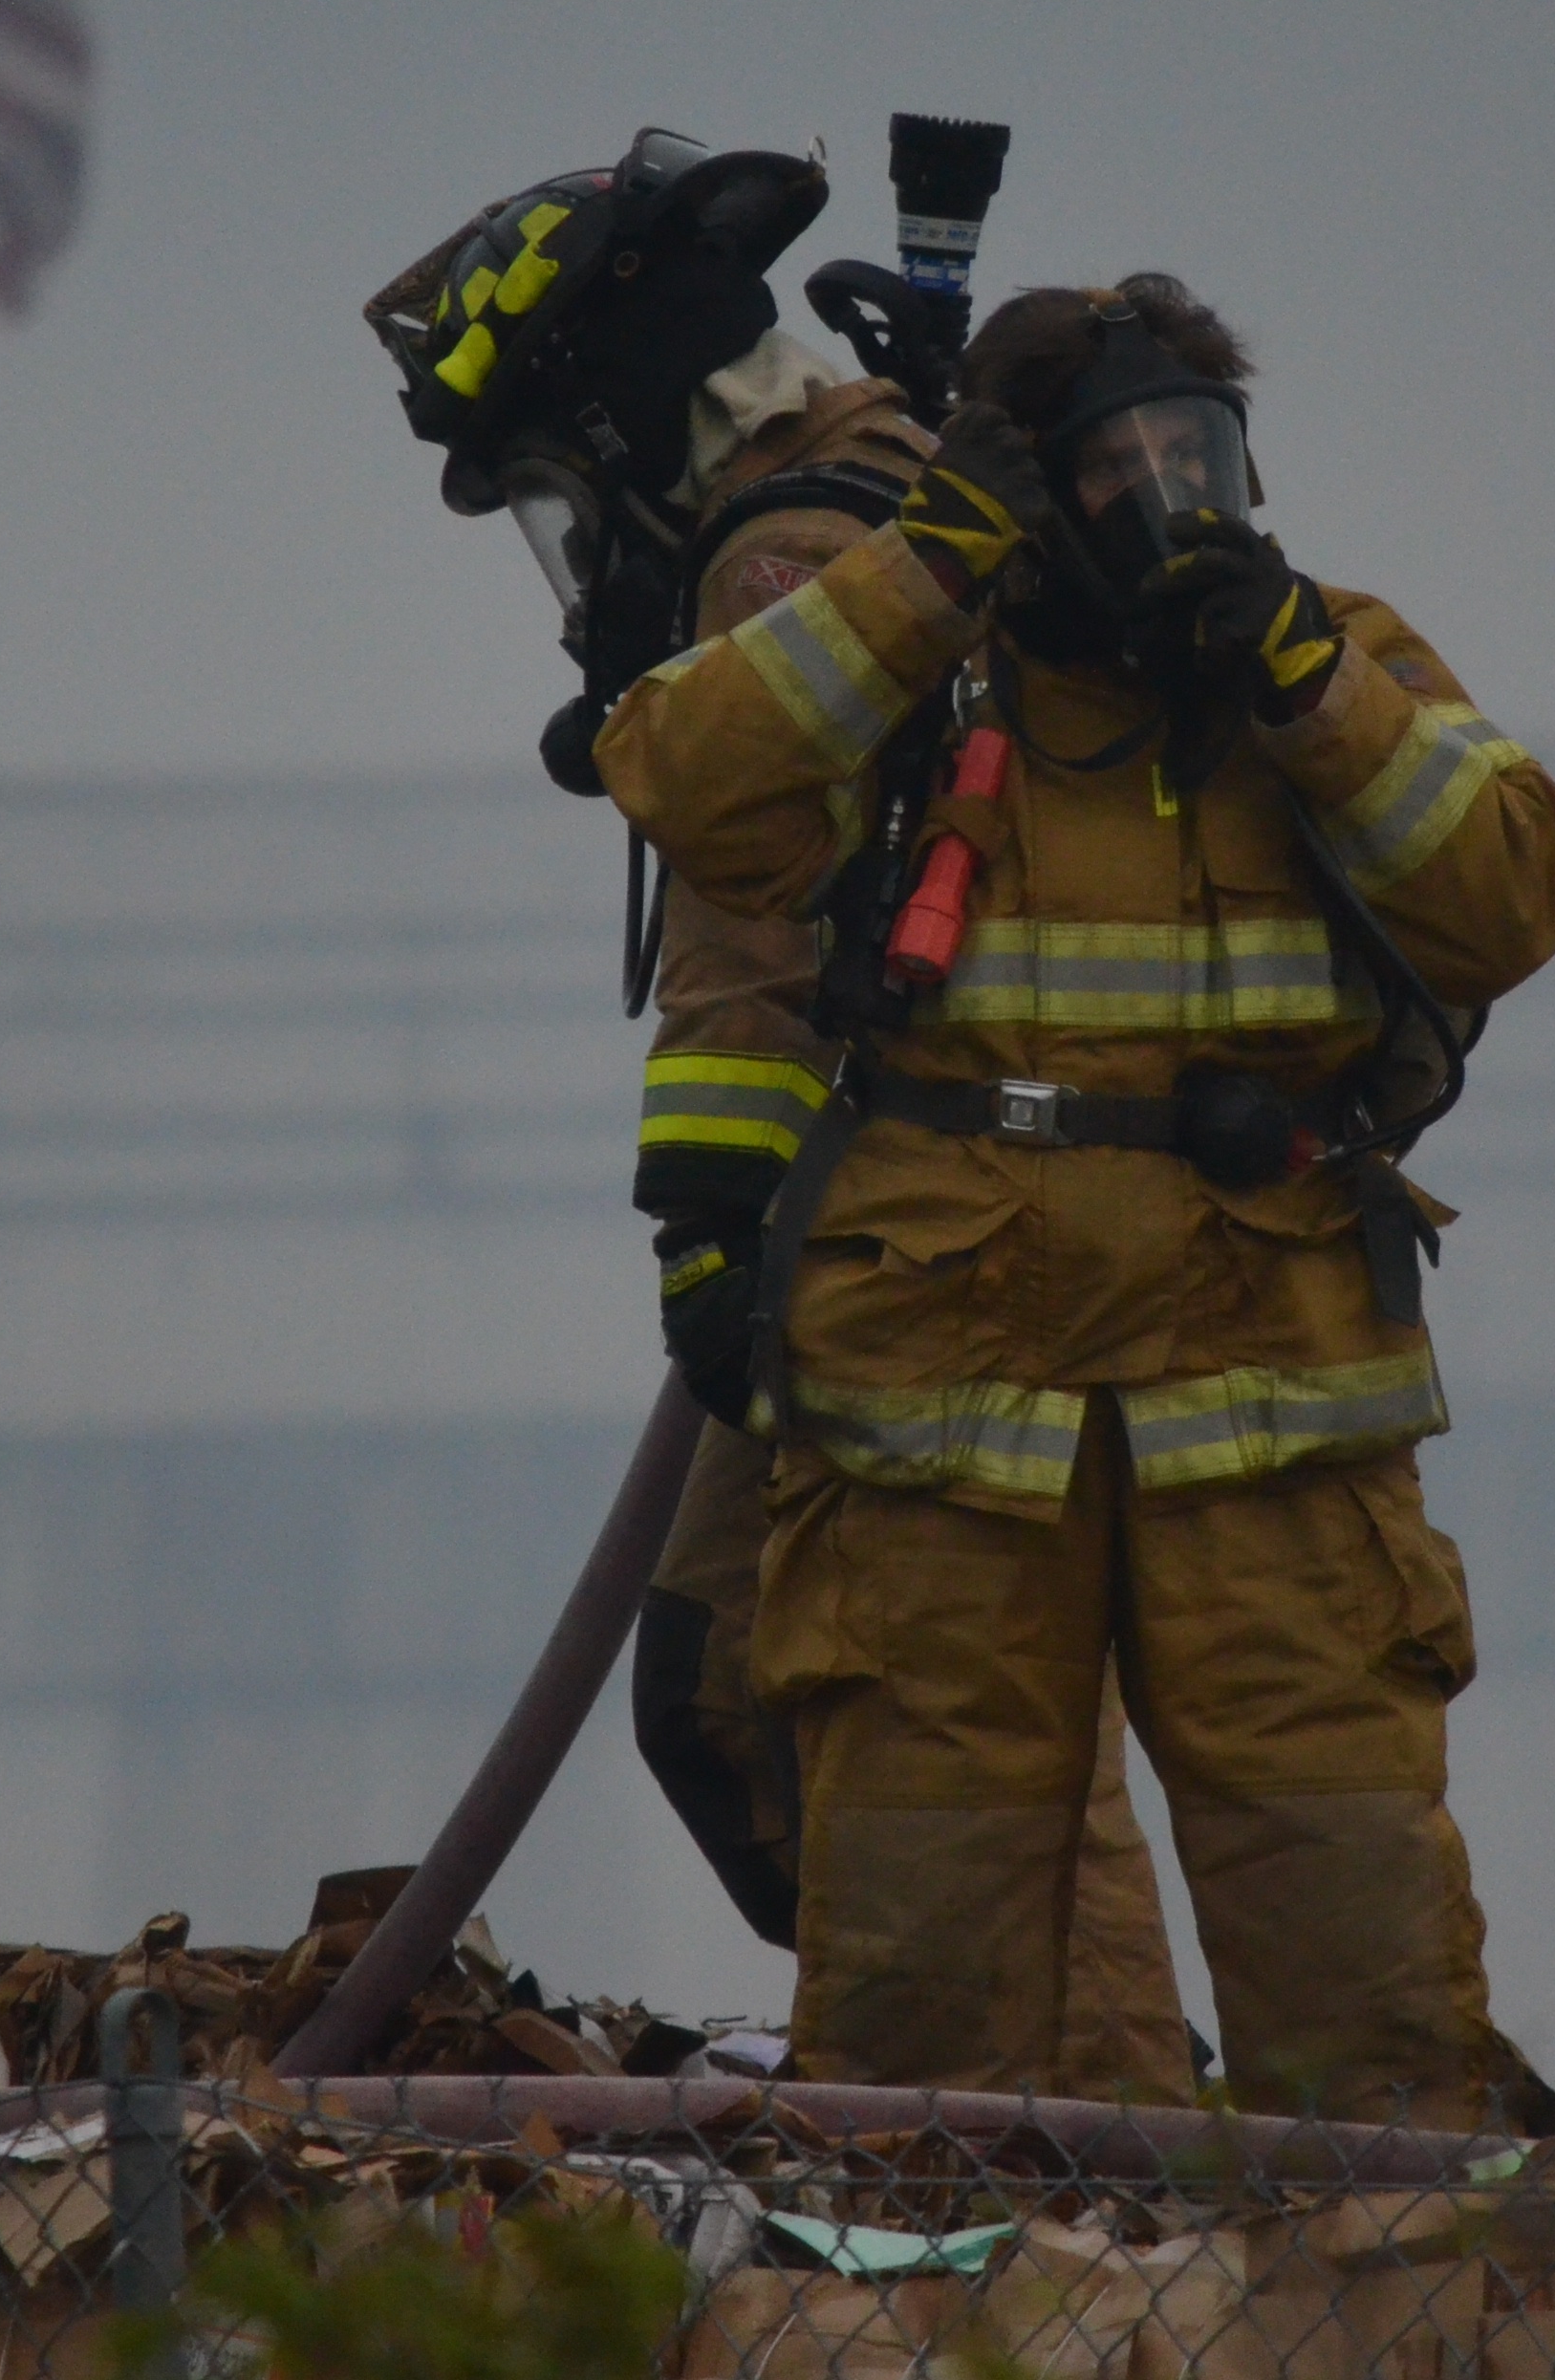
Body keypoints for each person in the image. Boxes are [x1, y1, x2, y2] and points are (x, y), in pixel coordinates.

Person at [595, 272, 1555, 2124]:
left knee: (1365, 1994)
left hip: (1273, 1426)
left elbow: (1515, 891)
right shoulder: (920, 676)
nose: (1159, 497)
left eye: (1192, 455)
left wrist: (1304, 686)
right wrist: (927, 568)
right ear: (1022, 493)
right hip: (948, 1438)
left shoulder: (1334, 656)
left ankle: (1377, 2324)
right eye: (1109, 467)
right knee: (916, 2027)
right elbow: (683, 774)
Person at [616, 320, 1193, 2107]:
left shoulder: (780, 546)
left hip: (923, 1261)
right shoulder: (887, 497)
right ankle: (965, 2091)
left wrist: (711, 1226)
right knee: (738, 1690)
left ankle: (1091, 2151)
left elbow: (747, 915)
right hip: (910, 1240)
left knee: (963, 1726)